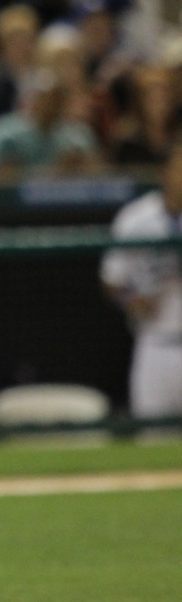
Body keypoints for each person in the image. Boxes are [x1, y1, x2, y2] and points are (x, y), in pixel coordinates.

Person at [102, 141, 182, 421]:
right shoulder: (136, 218)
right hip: (154, 343)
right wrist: (131, 300)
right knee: (151, 440)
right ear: (164, 173)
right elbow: (111, 280)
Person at [0, 69, 100, 176]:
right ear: (29, 100)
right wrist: (56, 172)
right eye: (44, 98)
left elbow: (99, 175)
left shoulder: (77, 136)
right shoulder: (5, 134)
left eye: (56, 99)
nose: (51, 106)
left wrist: (80, 167)